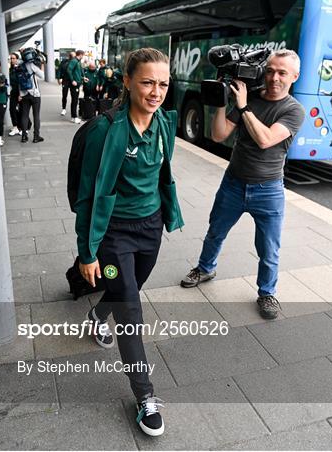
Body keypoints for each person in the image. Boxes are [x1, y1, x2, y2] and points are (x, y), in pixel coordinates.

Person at [75, 47, 184, 436]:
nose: (156, 91)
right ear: (127, 81)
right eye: (147, 82)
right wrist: (87, 252)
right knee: (131, 311)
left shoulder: (164, 124)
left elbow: (162, 176)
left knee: (131, 288)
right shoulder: (106, 130)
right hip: (113, 235)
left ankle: (97, 315)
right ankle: (145, 397)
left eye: (163, 83)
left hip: (150, 227)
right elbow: (88, 194)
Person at [180, 49, 305, 320]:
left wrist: (245, 106)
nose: (274, 77)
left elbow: (265, 139)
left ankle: (267, 293)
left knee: (268, 248)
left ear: (294, 76)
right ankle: (205, 268)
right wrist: (223, 101)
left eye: (282, 72)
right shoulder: (249, 98)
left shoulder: (293, 110)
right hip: (233, 183)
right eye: (270, 70)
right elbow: (218, 134)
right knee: (215, 231)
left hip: (268, 190)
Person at [18, 48, 45, 143]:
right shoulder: (32, 65)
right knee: (36, 115)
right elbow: (42, 76)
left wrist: (20, 94)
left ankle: (24, 136)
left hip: (24, 94)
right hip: (35, 94)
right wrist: (41, 65)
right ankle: (36, 136)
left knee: (24, 115)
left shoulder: (20, 66)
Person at [67, 49, 84, 123]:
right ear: (80, 55)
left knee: (75, 100)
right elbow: (69, 70)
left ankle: (73, 117)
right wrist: (72, 80)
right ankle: (74, 116)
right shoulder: (74, 61)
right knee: (74, 100)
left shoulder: (77, 62)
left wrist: (83, 78)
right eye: (83, 55)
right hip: (75, 84)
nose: (83, 56)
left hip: (77, 83)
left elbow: (77, 72)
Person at [58, 51, 75, 116]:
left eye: (73, 55)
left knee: (73, 96)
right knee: (64, 94)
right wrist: (59, 78)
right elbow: (59, 69)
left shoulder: (76, 62)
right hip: (65, 80)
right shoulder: (64, 61)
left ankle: (73, 111)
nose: (71, 57)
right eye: (71, 55)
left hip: (73, 81)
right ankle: (64, 109)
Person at [8, 52, 21, 136]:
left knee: (22, 110)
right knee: (12, 109)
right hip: (13, 91)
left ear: (17, 59)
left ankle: (24, 126)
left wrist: (20, 94)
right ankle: (15, 127)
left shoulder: (19, 68)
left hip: (20, 92)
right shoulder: (10, 68)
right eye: (11, 58)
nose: (12, 60)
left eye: (13, 58)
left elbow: (20, 82)